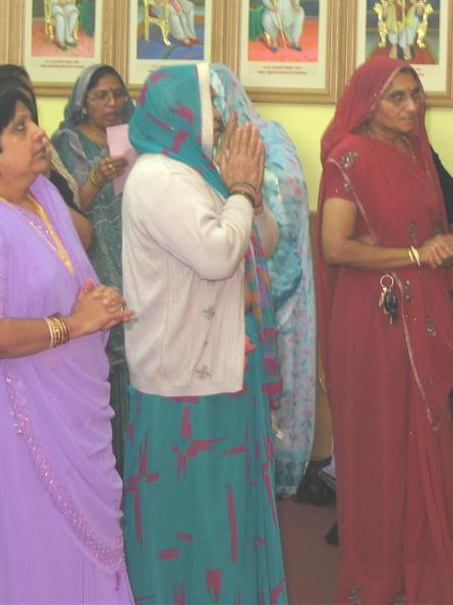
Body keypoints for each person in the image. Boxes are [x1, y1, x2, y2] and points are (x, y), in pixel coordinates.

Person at [0, 86, 134, 603]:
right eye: (19, 126)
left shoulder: (42, 201)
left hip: (66, 407)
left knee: (79, 543)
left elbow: (62, 286)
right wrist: (73, 325)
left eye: (32, 121)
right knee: (29, 548)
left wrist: (93, 301)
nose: (39, 133)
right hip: (10, 418)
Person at [121, 63, 287, 604]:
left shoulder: (196, 172)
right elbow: (219, 255)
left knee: (225, 516)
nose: (220, 115)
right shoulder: (157, 177)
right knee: (191, 523)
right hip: (183, 381)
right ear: (181, 111)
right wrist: (239, 190)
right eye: (210, 104)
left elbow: (265, 239)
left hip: (219, 366)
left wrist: (248, 195)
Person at [317, 56, 453, 604]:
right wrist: (414, 253)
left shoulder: (415, 151)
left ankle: (419, 564)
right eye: (396, 98)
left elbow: (428, 228)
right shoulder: (349, 158)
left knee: (424, 438)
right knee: (381, 446)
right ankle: (376, 573)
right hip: (376, 320)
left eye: (415, 95)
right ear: (367, 103)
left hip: (419, 311)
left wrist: (445, 245)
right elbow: (336, 247)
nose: (411, 107)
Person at [211, 63, 315, 496]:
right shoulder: (189, 149)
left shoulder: (267, 135)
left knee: (276, 380)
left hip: (272, 276)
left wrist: (244, 179)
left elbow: (288, 192)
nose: (214, 114)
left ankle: (275, 471)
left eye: (217, 102)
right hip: (217, 279)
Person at [52, 63, 134, 472]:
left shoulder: (129, 135)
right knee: (106, 349)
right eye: (101, 95)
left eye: (117, 94)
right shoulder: (66, 143)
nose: (112, 103)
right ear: (82, 101)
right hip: (94, 252)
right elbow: (69, 207)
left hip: (132, 247)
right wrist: (98, 178)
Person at [0, 64, 92, 249]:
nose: (40, 132)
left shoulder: (44, 173)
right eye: (20, 126)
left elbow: (84, 240)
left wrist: (44, 185)